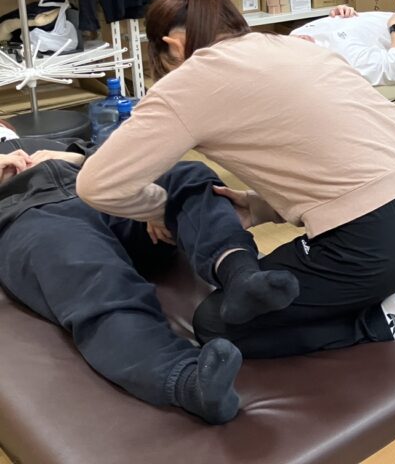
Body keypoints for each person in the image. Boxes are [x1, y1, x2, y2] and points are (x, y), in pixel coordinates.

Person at [76, 0, 395, 359]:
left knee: (218, 323)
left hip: (375, 238)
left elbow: (98, 185)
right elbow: (336, 153)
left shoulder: (189, 81)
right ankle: (385, 313)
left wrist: (161, 211)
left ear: (173, 45)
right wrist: (260, 206)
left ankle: (380, 324)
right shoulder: (296, 46)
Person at [0, 130, 295, 424]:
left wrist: (76, 157)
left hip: (106, 194)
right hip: (30, 215)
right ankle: (189, 382)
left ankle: (240, 274)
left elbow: (120, 158)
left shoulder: (45, 141)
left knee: (186, 176)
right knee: (90, 271)